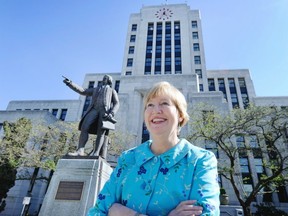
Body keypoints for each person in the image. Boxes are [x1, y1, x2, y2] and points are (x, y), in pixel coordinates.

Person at [88, 81, 220, 215]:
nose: (156, 110)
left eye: (164, 103)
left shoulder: (201, 160)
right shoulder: (127, 159)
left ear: (180, 115)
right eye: (149, 105)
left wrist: (126, 213)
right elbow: (97, 211)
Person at [63, 74, 120, 157]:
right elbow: (83, 91)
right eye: (103, 78)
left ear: (109, 81)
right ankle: (80, 150)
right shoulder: (95, 89)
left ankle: (96, 153)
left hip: (104, 112)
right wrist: (70, 83)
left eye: (106, 78)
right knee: (84, 127)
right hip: (94, 109)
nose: (104, 79)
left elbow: (117, 103)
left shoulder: (112, 91)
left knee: (101, 132)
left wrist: (112, 113)